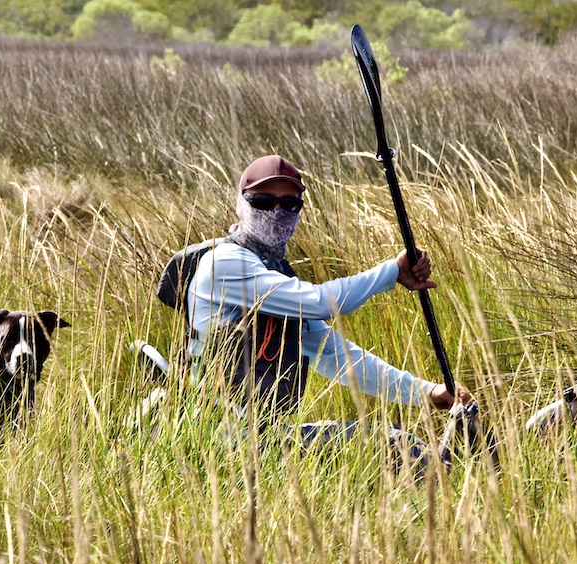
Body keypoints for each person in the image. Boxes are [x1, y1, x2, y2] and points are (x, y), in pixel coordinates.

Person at [185, 154, 480, 466]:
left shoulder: (275, 276)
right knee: (396, 445)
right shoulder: (225, 264)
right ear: (240, 204)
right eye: (262, 201)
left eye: (290, 205)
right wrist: (392, 272)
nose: (277, 211)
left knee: (396, 442)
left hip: (267, 438)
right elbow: (319, 302)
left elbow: (336, 357)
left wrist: (426, 392)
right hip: (220, 445)